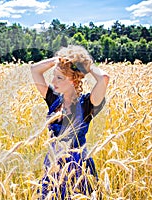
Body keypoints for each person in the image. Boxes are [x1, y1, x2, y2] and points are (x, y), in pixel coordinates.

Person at [31, 45, 109, 199]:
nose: (53, 81)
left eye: (59, 78)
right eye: (53, 76)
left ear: (74, 80)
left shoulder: (87, 104)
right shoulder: (53, 99)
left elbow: (104, 78)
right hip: (54, 164)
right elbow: (35, 69)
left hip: (78, 165)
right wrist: (59, 60)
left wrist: (84, 64)